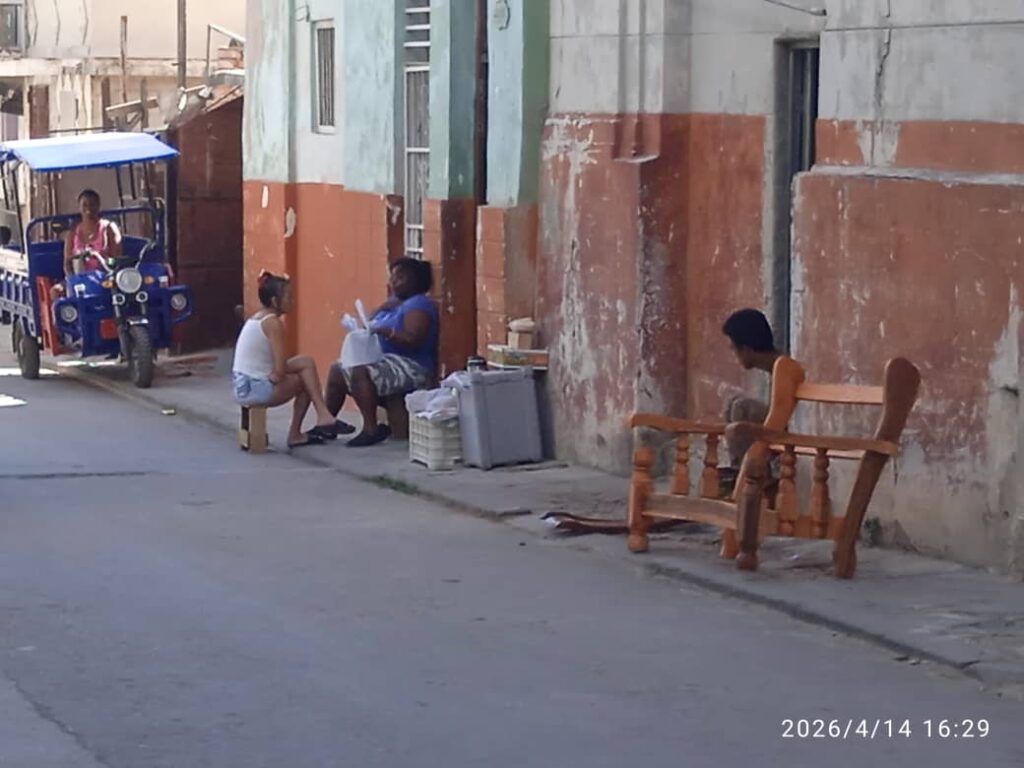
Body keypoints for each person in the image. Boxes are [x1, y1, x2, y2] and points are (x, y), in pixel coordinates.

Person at [325, 258, 439, 447]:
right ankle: (327, 422)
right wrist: (380, 310)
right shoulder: (394, 304)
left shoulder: (418, 304)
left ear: (416, 280)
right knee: (338, 369)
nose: (394, 282)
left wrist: (387, 332)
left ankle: (371, 428)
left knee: (361, 371)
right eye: (392, 277)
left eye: (401, 277)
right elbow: (369, 322)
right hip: (386, 359)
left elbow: (414, 339)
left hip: (412, 364)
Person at [232, 271, 342, 449]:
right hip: (254, 388)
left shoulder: (257, 318)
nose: (293, 301)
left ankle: (323, 414)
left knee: (306, 362)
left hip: (243, 383)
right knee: (305, 382)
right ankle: (297, 433)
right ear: (275, 301)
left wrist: (278, 373)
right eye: (289, 297)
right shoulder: (273, 323)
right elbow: (280, 370)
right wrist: (277, 375)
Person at [720, 309, 782, 480]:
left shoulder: (783, 367)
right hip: (774, 429)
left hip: (785, 432)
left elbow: (781, 418)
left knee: (741, 406)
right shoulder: (773, 367)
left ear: (746, 349)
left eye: (734, 349)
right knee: (732, 402)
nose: (735, 356)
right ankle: (739, 468)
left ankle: (746, 473)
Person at [51, 190, 123, 300]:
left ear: (98, 206)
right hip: (78, 278)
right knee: (56, 291)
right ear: (79, 207)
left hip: (104, 278)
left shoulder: (108, 229)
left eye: (92, 204)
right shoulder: (73, 233)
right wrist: (72, 279)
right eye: (85, 205)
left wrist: (101, 259)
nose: (89, 208)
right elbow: (67, 264)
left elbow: (116, 261)